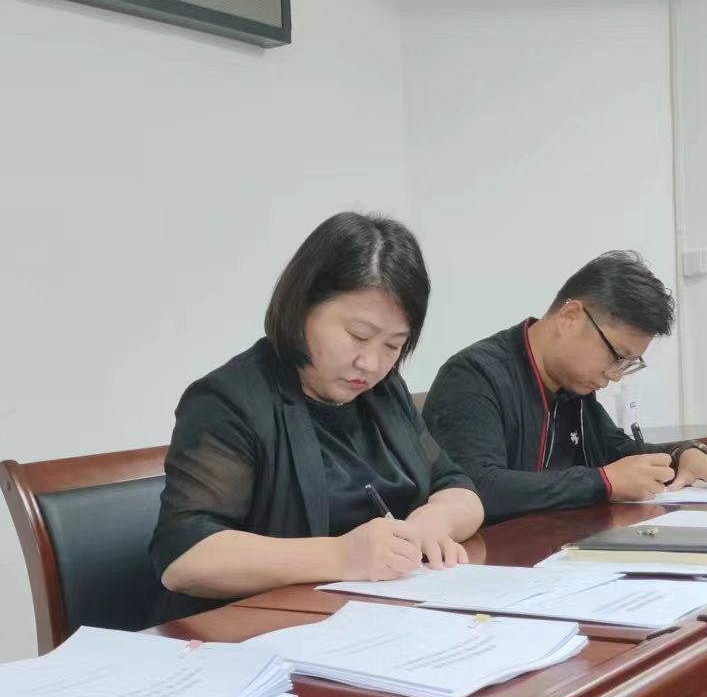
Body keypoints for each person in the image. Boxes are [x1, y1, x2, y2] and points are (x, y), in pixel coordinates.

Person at [151, 212, 484, 621]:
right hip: (253, 633)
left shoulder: (384, 392)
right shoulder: (228, 400)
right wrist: (341, 556)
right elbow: (185, 557)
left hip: (376, 623)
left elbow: (458, 488)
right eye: (358, 336)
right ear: (303, 306)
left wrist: (432, 523)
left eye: (393, 346)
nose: (370, 363)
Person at [422, 251, 707, 523]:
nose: (615, 375)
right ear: (570, 317)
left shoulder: (573, 386)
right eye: (616, 356)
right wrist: (601, 482)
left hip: (562, 553)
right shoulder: (474, 376)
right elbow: (476, 488)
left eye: (627, 363)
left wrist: (682, 456)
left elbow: (616, 451)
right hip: (494, 563)